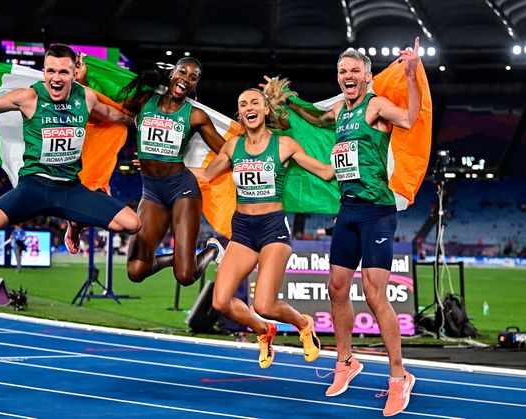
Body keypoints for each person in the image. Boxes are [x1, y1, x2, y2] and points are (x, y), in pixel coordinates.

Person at [267, 38, 422, 416]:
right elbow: (315, 119)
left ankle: (399, 377)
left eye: (355, 70)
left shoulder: (376, 106)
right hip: (348, 210)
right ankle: (346, 362)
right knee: (336, 288)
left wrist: (413, 74)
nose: (348, 76)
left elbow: (411, 117)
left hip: (377, 212)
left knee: (374, 294)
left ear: (368, 76)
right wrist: (285, 99)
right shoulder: (338, 111)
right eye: (343, 72)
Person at [0, 44, 141, 246]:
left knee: (132, 224)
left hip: (70, 190)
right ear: (44, 72)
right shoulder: (29, 98)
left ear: (74, 74)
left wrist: (144, 118)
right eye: (51, 71)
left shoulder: (86, 97)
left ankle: (75, 222)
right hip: (33, 187)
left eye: (63, 72)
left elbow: (114, 115)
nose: (56, 78)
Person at [196, 88, 334, 368]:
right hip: (243, 230)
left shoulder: (284, 145)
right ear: (241, 113)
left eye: (255, 102)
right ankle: (263, 330)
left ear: (266, 109)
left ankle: (303, 323)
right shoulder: (233, 146)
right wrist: (161, 168)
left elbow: (326, 172)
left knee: (265, 304)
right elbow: (207, 175)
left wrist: (359, 158)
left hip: (273, 230)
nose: (249, 107)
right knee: (221, 302)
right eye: (243, 103)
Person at [65, 57, 226, 286]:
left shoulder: (195, 116)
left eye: (193, 77)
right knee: (136, 270)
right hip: (152, 193)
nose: (185, 79)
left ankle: (211, 250)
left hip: (183, 191)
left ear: (195, 85)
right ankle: (180, 259)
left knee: (185, 276)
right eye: (182, 72)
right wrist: (82, 84)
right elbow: (109, 111)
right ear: (171, 75)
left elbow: (226, 151)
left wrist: (201, 171)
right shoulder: (145, 101)